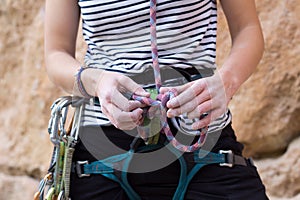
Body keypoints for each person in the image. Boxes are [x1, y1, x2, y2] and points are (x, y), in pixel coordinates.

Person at [44, 0, 268, 199]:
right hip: (102, 152)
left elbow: (246, 28)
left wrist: (226, 82)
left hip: (203, 141)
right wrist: (98, 82)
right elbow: (56, 54)